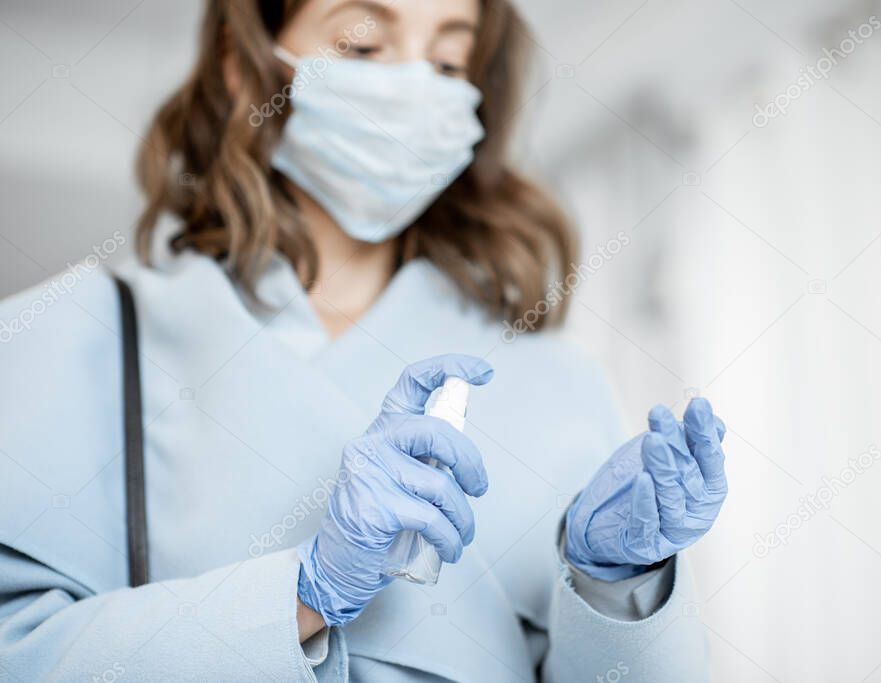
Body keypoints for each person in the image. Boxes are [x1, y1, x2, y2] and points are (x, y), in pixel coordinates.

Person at [0, 1, 729, 680]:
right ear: (242, 59)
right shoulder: (72, 335)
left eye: (448, 64)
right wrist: (301, 595)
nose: (413, 87)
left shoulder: (554, 378)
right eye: (362, 42)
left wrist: (618, 595)